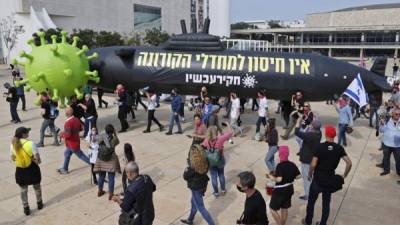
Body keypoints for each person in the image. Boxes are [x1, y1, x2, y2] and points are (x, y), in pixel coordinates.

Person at [303, 126, 352, 225]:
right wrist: (344, 176)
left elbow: (313, 164)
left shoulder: (320, 146)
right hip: (329, 180)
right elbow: (349, 163)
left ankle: (308, 222)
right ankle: (323, 223)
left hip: (318, 180)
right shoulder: (339, 148)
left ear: (326, 135)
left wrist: (309, 174)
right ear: (334, 136)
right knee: (326, 204)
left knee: (311, 202)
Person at [10, 127, 43, 216]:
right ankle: (39, 203)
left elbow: (13, 158)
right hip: (32, 169)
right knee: (37, 187)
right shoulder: (31, 143)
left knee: (23, 189)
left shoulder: (13, 144)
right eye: (27, 131)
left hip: (20, 170)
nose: (28, 132)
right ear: (23, 134)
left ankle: (26, 208)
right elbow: (38, 160)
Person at [181, 145, 216, 225]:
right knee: (193, 202)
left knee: (201, 208)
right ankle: (190, 220)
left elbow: (185, 177)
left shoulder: (192, 168)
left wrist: (187, 168)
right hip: (203, 185)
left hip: (196, 188)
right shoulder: (206, 161)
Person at [266, 146, 300, 225]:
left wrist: (271, 177)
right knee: (284, 209)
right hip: (289, 189)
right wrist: (291, 176)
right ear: (287, 154)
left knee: (272, 209)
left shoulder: (280, 166)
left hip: (280, 191)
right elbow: (298, 176)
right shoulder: (292, 164)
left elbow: (279, 180)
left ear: (280, 154)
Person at [201, 125, 233, 197]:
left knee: (213, 177)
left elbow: (202, 146)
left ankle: (216, 192)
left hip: (211, 161)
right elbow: (230, 133)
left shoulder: (206, 140)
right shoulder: (220, 139)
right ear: (216, 133)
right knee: (221, 175)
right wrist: (228, 124)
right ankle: (223, 190)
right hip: (220, 160)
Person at [57, 106, 90, 174]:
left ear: (67, 114)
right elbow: (80, 129)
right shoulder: (76, 119)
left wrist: (62, 135)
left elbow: (68, 135)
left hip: (72, 144)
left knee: (81, 156)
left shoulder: (68, 123)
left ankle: (93, 164)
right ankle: (65, 168)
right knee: (66, 154)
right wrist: (66, 131)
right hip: (74, 142)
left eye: (65, 111)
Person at [295, 119, 322, 201]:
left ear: (313, 127)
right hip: (314, 158)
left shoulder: (310, 135)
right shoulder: (319, 133)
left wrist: (297, 122)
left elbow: (297, 132)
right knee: (312, 176)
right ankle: (314, 191)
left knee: (307, 178)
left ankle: (308, 195)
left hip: (307, 160)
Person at [94, 124, 121, 200]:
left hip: (101, 159)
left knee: (101, 176)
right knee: (111, 177)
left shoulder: (101, 137)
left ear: (105, 130)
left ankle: (100, 191)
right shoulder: (114, 139)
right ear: (112, 131)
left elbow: (96, 143)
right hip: (111, 159)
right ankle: (111, 194)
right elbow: (118, 141)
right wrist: (115, 133)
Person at [379, 108, 400, 176]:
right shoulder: (387, 121)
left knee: (398, 160)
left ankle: (399, 172)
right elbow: (381, 130)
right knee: (386, 158)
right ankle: (386, 170)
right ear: (392, 114)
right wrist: (382, 124)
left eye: (399, 114)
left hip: (397, 145)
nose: (398, 115)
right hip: (387, 144)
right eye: (396, 114)